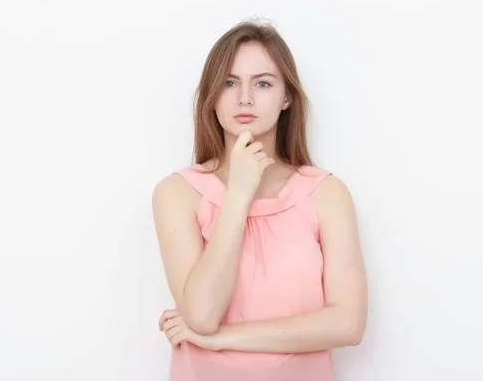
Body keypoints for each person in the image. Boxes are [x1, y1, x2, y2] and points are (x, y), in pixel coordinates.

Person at [152, 19, 368, 381]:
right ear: (212, 96)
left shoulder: (327, 193)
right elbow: (202, 314)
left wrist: (221, 338)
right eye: (229, 82)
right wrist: (238, 193)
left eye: (263, 83)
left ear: (287, 98)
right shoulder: (177, 193)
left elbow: (348, 324)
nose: (245, 98)